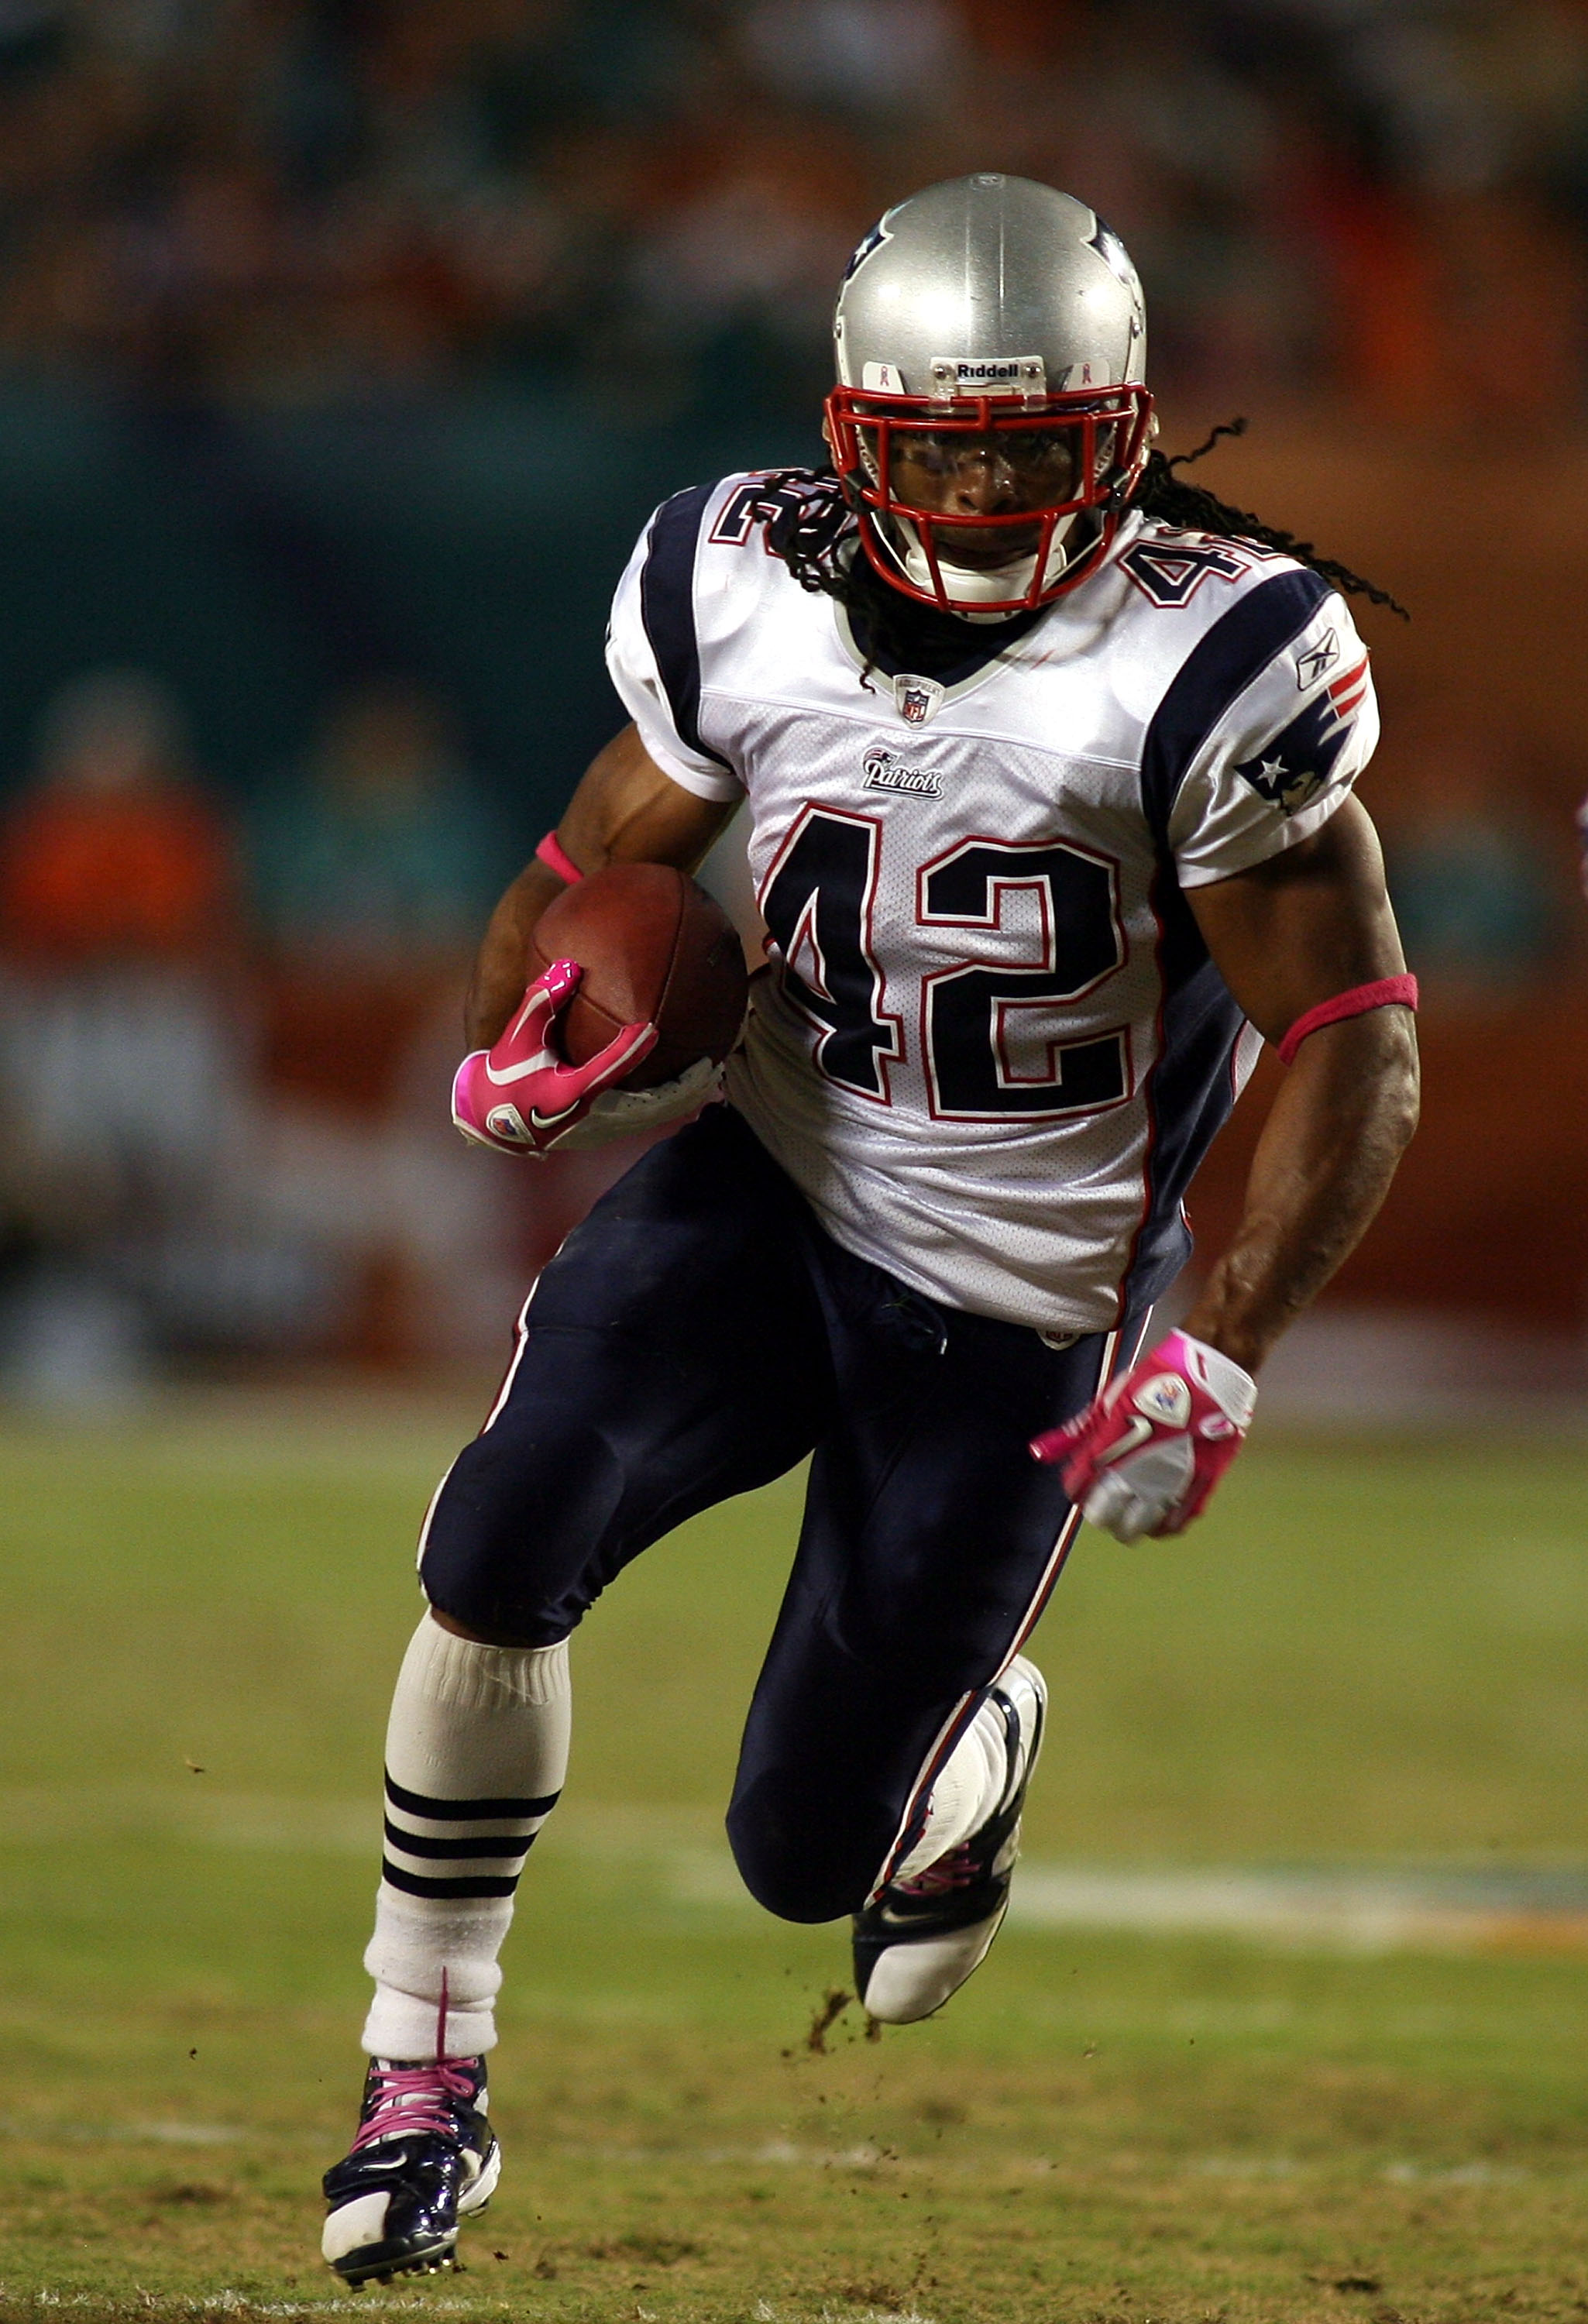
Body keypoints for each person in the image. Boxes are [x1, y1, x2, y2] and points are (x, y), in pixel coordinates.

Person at [321, 174, 1419, 2284]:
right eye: (949, 453)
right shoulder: (726, 581)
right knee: (495, 1538)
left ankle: (966, 1741)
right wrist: (522, 1059)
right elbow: (592, 860)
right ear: (852, 432)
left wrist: (1222, 1339)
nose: (993, 501)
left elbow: (1351, 1028)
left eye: (1038, 457)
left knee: (794, 1861)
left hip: (1009, 1300)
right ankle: (419, 2063)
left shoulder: (1218, 651)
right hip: (773, 1176)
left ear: (1122, 441)